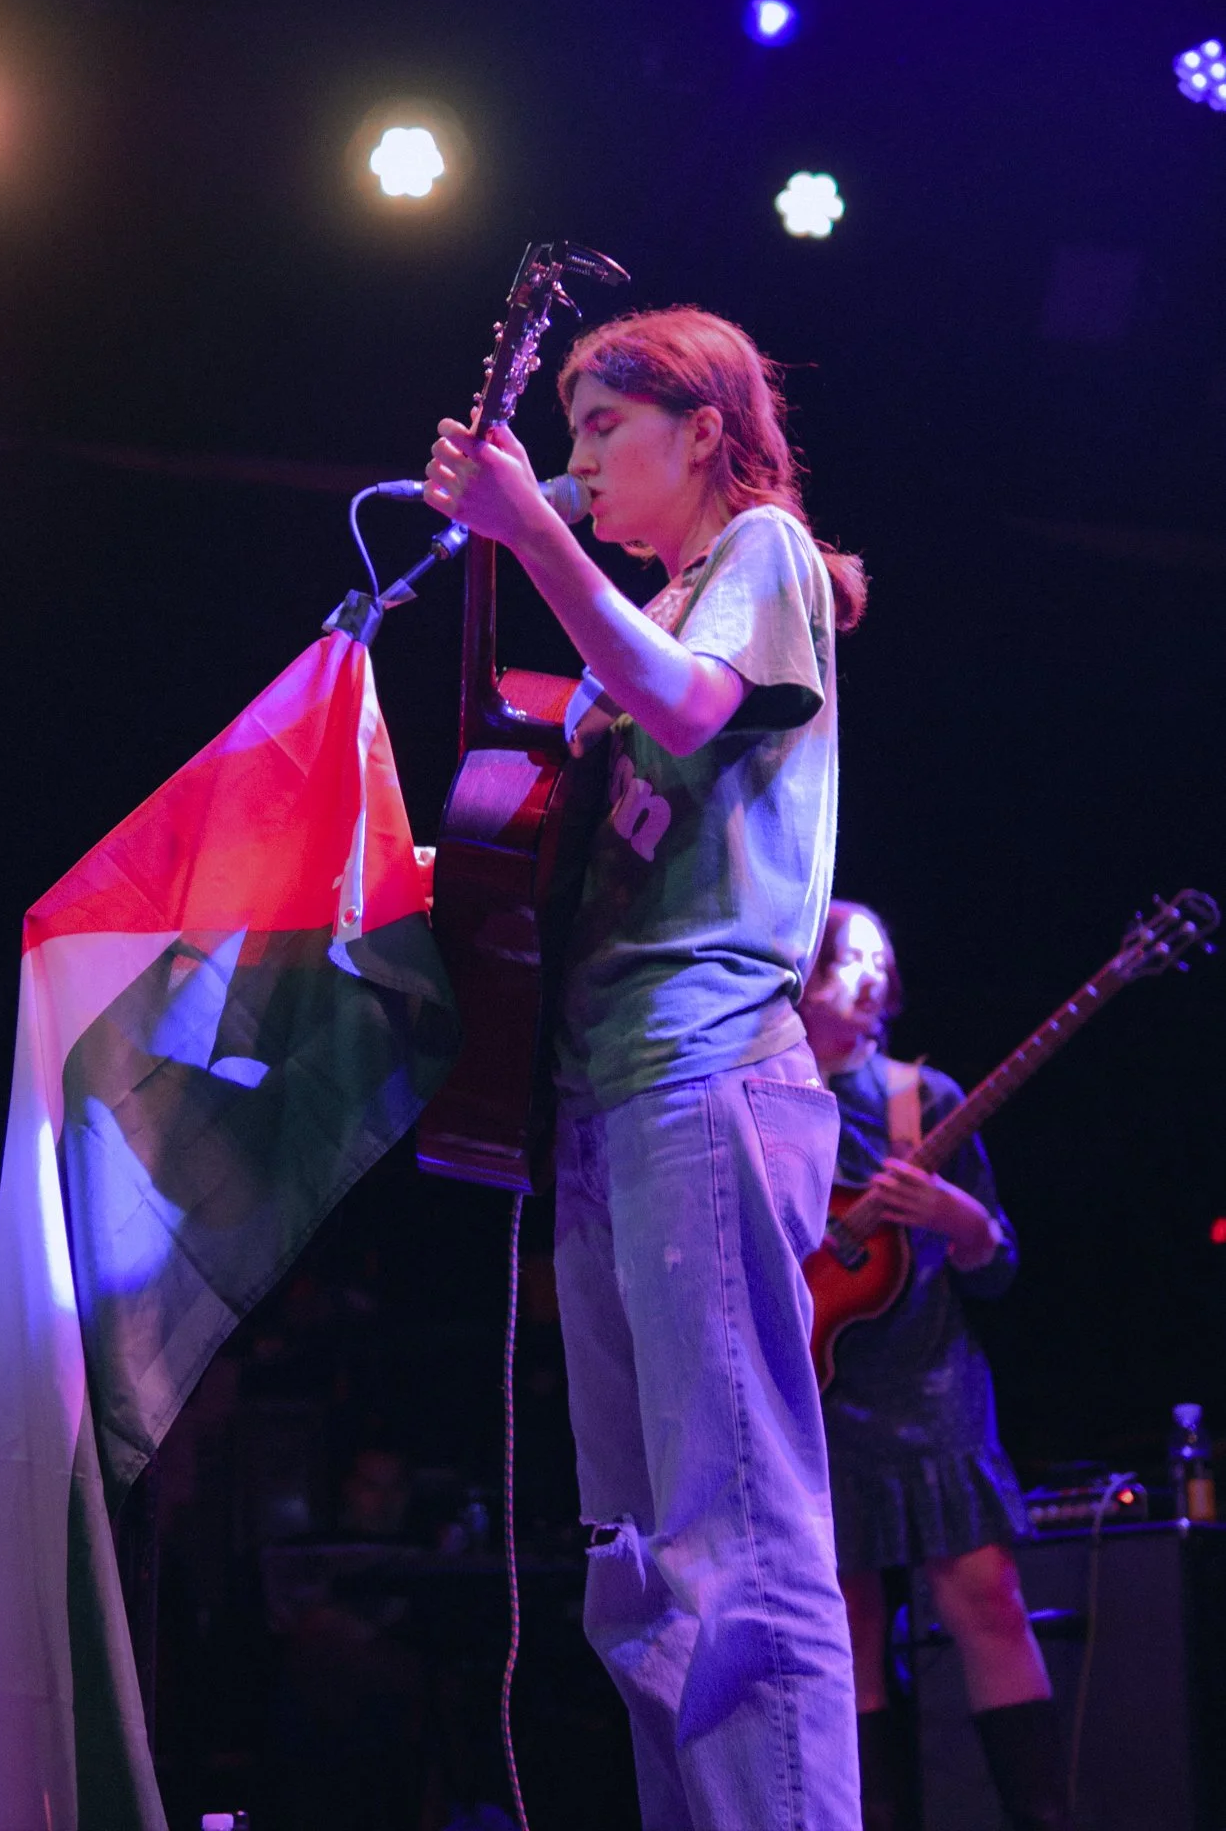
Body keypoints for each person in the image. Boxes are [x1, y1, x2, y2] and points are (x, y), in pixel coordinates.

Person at [424, 305, 867, 1831]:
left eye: (603, 426)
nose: (580, 460)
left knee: (733, 1531)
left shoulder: (761, 553)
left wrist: (530, 537)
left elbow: (687, 704)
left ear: (702, 430)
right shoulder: (657, 611)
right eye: (570, 434)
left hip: (703, 1072)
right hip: (609, 1093)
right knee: (638, 1559)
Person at [797, 901, 1070, 1831]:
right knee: (849, 1628)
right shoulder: (772, 1102)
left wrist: (964, 1221)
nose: (871, 972)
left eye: (882, 957)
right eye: (850, 956)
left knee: (988, 1599)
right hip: (820, 1391)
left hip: (931, 1383)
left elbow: (997, 1268)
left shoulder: (925, 1098)